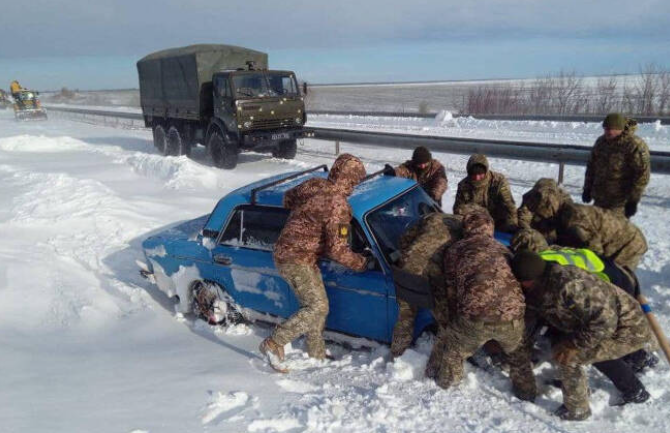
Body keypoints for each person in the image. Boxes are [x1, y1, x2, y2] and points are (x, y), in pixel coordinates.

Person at [511, 251, 653, 420]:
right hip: (604, 324)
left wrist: (572, 345)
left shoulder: (569, 286)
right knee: (562, 341)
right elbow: (535, 313)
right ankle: (636, 361)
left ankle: (578, 409)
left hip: (628, 330)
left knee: (568, 357)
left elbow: (604, 324)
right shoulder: (544, 280)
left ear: (527, 281)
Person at [260, 154, 369, 368]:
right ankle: (274, 342)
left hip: (289, 253)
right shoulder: (340, 208)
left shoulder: (314, 183)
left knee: (317, 305)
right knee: (317, 307)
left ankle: (316, 354)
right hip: (297, 259)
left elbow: (287, 199)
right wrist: (362, 263)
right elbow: (337, 250)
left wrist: (307, 216)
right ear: (353, 180)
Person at [435, 209, 534, 401]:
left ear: (466, 229)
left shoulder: (455, 250)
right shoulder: (503, 249)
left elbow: (451, 290)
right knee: (519, 357)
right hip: (512, 320)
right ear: (490, 228)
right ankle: (527, 393)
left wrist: (454, 320)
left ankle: (446, 385)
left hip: (474, 321)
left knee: (453, 350)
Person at [519, 184, 648, 269]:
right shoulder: (561, 212)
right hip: (614, 239)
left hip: (628, 244)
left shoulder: (574, 221)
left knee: (615, 279)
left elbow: (594, 256)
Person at [390, 212, 462, 359]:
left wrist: (410, 256)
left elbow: (405, 239)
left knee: (406, 315)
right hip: (428, 273)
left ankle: (397, 354)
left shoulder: (433, 216)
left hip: (407, 267)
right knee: (445, 319)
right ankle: (438, 362)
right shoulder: (463, 232)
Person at [583, 113, 650, 218]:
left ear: (621, 129)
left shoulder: (634, 145)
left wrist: (633, 200)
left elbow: (642, 175)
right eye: (606, 129)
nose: (608, 132)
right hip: (600, 199)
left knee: (614, 232)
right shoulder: (601, 142)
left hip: (619, 203)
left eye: (612, 129)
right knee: (596, 230)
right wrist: (587, 188)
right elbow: (591, 166)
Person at [453, 154, 517, 232]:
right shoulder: (463, 185)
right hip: (477, 223)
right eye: (473, 174)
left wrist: (512, 225)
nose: (477, 178)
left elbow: (509, 205)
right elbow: (458, 209)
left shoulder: (498, 181)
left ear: (486, 171)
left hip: (499, 221)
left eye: (480, 174)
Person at [384, 146, 448, 205]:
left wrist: (432, 196)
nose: (422, 166)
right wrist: (393, 172)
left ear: (429, 160)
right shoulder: (410, 166)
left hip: (432, 202)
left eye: (425, 163)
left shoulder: (437, 168)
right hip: (414, 201)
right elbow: (403, 171)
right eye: (420, 164)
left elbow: (441, 183)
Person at [517, 178, 572, 244]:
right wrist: (531, 236)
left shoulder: (564, 201)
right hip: (536, 230)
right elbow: (524, 219)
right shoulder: (530, 198)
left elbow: (569, 222)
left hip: (555, 230)